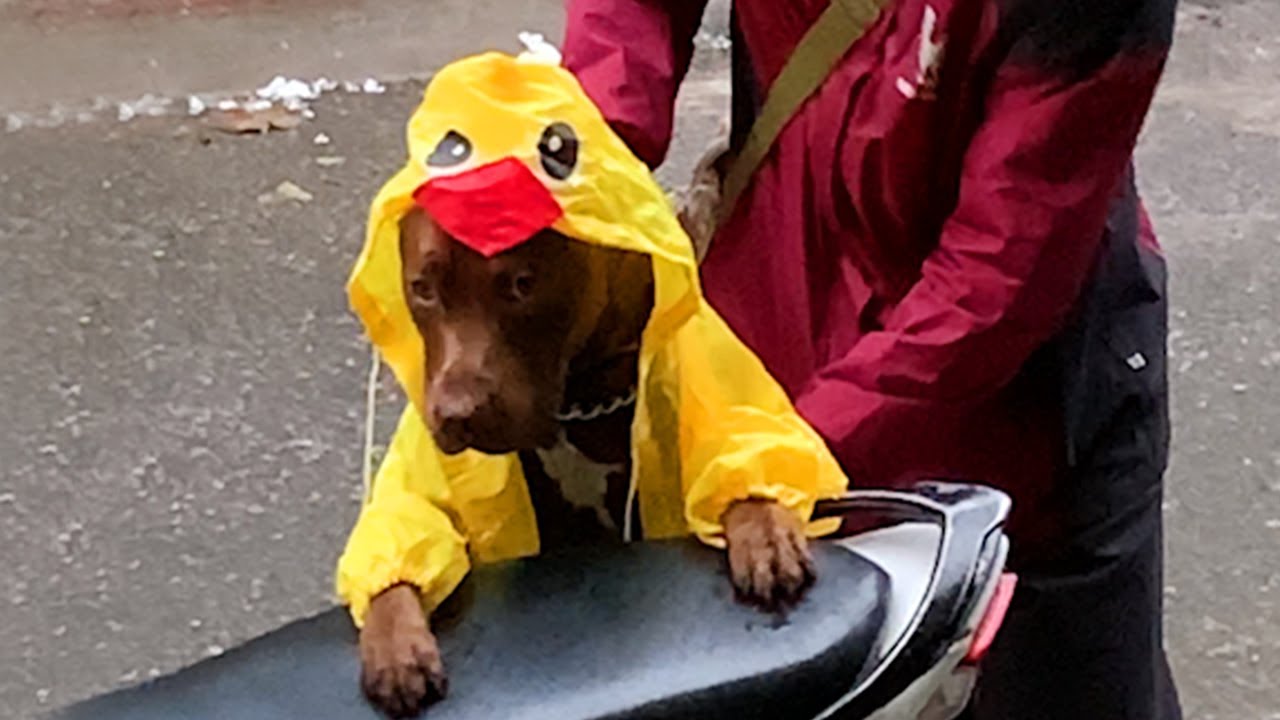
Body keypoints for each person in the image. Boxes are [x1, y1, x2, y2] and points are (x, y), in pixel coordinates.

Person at [562, 0, 1182, 718]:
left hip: (1016, 435)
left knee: (1061, 685)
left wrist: (778, 457)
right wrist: (580, 173)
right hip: (767, 339)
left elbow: (999, 278)